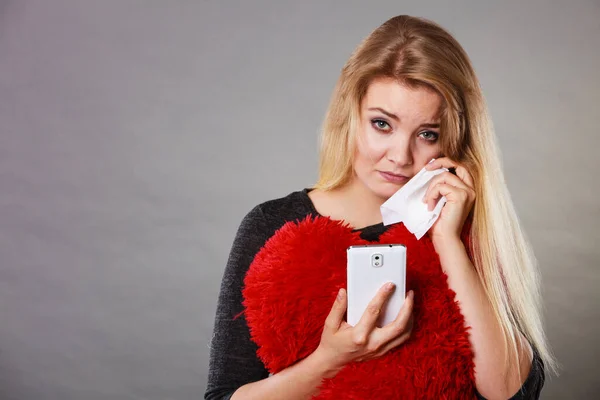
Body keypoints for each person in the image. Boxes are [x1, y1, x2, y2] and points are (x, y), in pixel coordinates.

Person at [205, 15, 556, 400]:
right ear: (350, 115)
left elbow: (513, 393)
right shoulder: (270, 225)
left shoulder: (468, 224)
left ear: (453, 139)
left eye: (427, 134)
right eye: (382, 125)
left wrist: (448, 242)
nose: (400, 156)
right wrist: (330, 359)